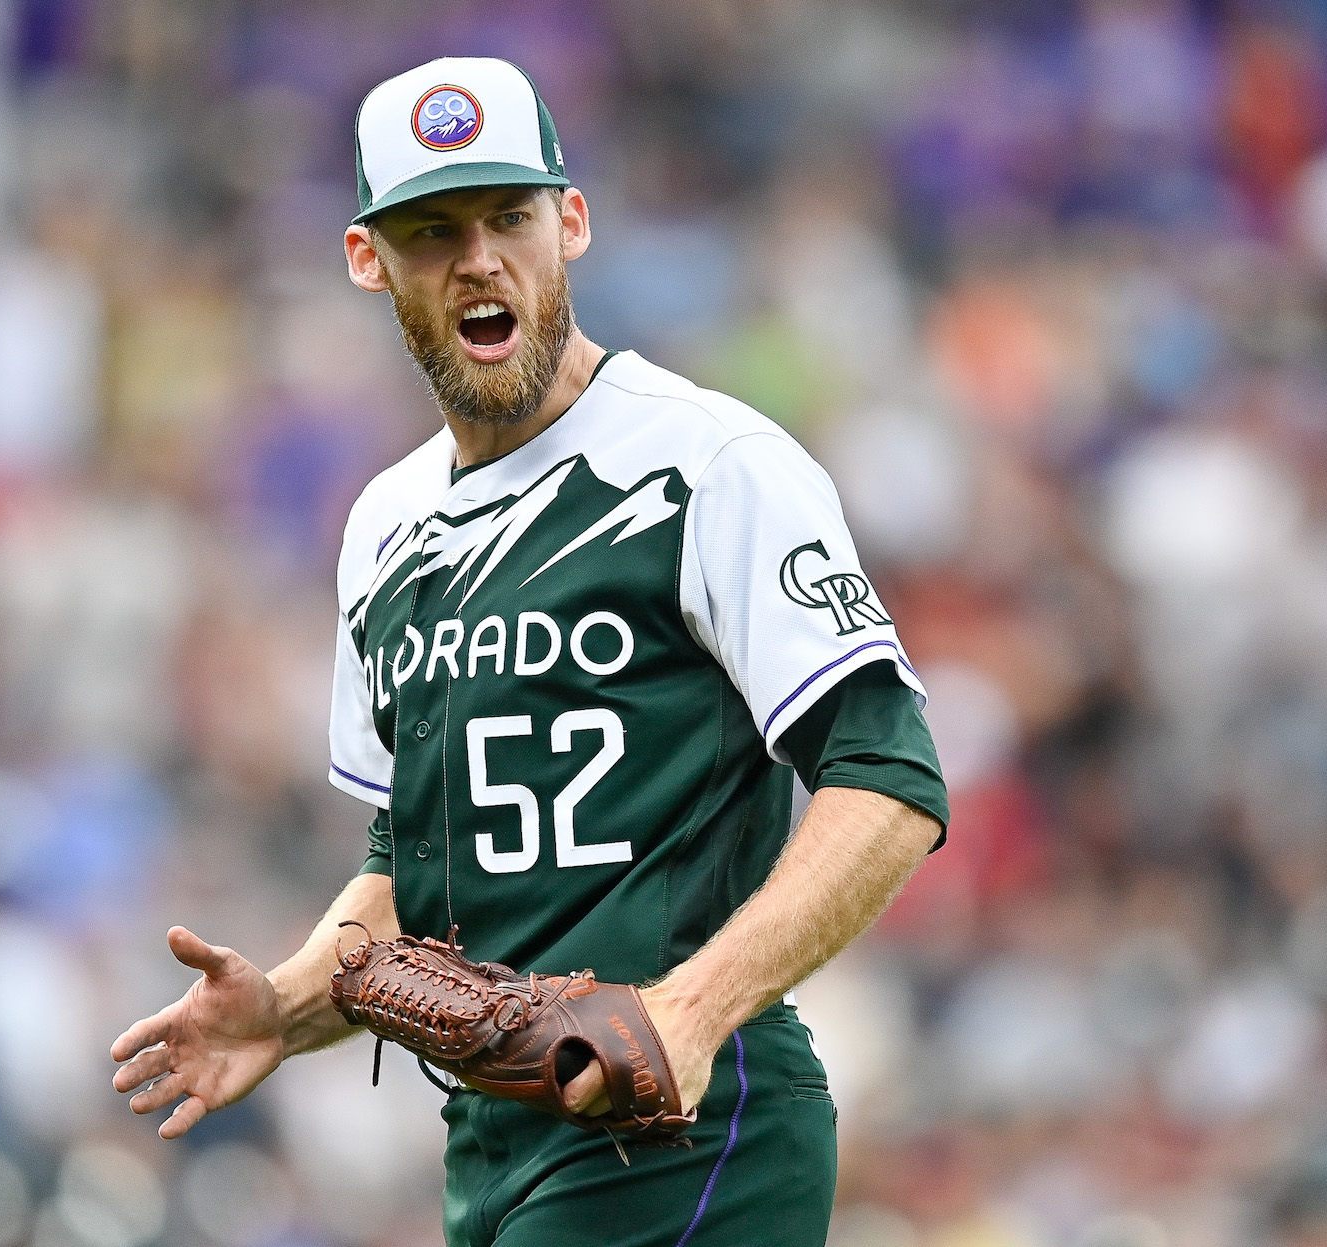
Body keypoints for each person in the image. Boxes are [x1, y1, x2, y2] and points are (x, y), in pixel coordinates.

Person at [111, 57, 949, 1246]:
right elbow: (413, 860)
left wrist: (692, 1010)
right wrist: (286, 1006)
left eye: (508, 216)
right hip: (494, 1146)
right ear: (366, 258)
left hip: (690, 1127)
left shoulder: (706, 465)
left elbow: (888, 776)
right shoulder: (381, 527)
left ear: (571, 222)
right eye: (429, 229)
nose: (478, 259)